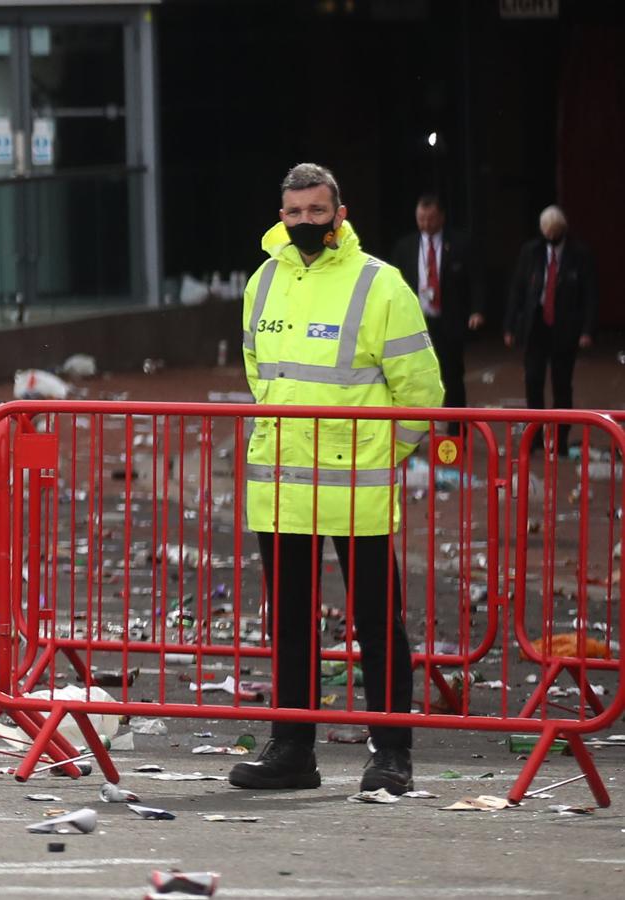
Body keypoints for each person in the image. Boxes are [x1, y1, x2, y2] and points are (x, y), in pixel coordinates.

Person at [231, 163, 444, 795]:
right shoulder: (263, 282)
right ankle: (292, 749)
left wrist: (378, 455)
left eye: (317, 211)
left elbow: (422, 393)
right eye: (295, 212)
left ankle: (392, 753)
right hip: (282, 488)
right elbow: (260, 375)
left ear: (339, 214)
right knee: (290, 624)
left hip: (355, 490)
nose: (305, 222)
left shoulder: (380, 284)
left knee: (378, 624)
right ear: (282, 215)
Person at [503, 205, 598, 451]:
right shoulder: (531, 252)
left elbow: (590, 295)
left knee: (562, 385)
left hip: (565, 327)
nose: (551, 235)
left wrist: (587, 330)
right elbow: (518, 289)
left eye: (555, 231)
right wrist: (510, 326)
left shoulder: (579, 254)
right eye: (547, 231)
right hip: (536, 325)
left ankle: (561, 439)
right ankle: (534, 437)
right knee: (533, 381)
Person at [391, 194, 484, 434]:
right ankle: (413, 433)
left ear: (441, 217)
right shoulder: (406, 246)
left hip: (449, 320)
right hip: (417, 321)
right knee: (414, 378)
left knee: (452, 376)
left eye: (430, 218)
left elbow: (475, 279)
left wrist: (476, 310)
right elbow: (394, 283)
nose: (425, 224)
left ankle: (456, 432)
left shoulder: (460, 244)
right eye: (421, 218)